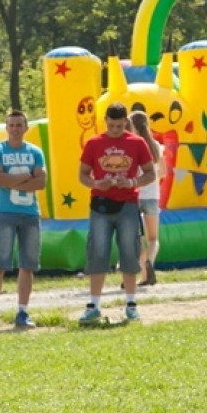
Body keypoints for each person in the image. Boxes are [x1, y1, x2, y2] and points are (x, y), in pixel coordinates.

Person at [78, 102, 155, 325]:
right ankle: (93, 305)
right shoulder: (94, 143)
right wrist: (95, 183)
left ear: (126, 123)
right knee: (98, 251)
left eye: (119, 126)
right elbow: (82, 175)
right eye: (111, 126)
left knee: (130, 252)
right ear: (105, 121)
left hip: (128, 204)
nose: (115, 130)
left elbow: (150, 172)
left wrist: (132, 181)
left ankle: (131, 304)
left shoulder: (137, 143)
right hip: (100, 205)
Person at [0, 110, 47, 329]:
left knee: (27, 265)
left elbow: (41, 182)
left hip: (30, 213)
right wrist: (26, 177)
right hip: (5, 212)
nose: (15, 129)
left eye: (19, 125)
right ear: (6, 127)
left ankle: (23, 311)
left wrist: (13, 181)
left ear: (26, 128)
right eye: (11, 125)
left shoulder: (36, 152)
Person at [129, 110, 165, 285]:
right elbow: (164, 172)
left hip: (134, 195)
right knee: (153, 238)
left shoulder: (131, 147)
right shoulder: (156, 146)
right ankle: (149, 262)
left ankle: (140, 273)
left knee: (136, 238)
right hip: (152, 195)